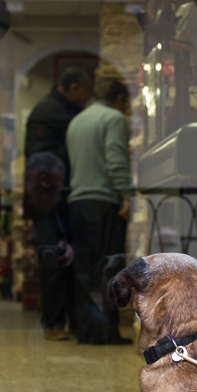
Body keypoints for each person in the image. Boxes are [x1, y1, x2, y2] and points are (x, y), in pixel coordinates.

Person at [65, 78, 134, 344]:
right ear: (118, 99)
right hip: (104, 201)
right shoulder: (113, 118)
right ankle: (107, 331)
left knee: (85, 269)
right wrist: (127, 194)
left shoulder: (77, 120)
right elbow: (115, 159)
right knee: (110, 267)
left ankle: (88, 331)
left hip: (79, 202)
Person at [23, 153, 76, 340]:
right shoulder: (30, 202)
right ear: (26, 182)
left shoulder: (66, 203)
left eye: (52, 189)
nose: (45, 196)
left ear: (63, 183)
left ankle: (59, 323)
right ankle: (54, 324)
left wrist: (71, 247)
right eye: (39, 188)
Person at [24, 66, 94, 184]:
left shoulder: (70, 107)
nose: (90, 95)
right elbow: (38, 153)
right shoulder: (47, 110)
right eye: (87, 90)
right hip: (49, 184)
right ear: (74, 88)